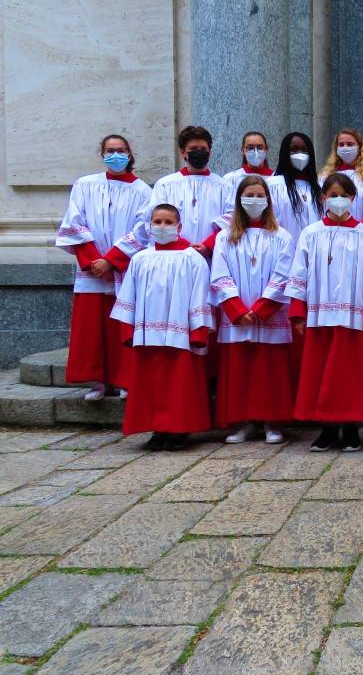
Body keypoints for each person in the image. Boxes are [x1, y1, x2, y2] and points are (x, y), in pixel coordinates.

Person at [286, 173, 363, 452]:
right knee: (321, 373)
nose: (338, 200)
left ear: (353, 198)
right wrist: (298, 313)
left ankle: (352, 428)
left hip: (354, 315)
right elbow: (298, 275)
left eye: (343, 195)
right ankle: (327, 429)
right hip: (319, 315)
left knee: (350, 375)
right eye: (332, 195)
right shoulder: (311, 233)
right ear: (323, 198)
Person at [56, 134, 153, 401]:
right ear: (102, 154)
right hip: (92, 269)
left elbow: (143, 230)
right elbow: (74, 222)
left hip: (123, 268)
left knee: (121, 324)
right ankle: (98, 381)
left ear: (131, 154)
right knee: (92, 328)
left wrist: (111, 260)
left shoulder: (143, 190)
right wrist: (93, 261)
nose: (116, 155)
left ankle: (124, 379)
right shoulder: (85, 185)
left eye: (121, 150)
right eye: (110, 151)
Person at [111, 204, 215, 450]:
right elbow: (129, 297)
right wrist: (128, 330)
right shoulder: (140, 259)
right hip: (146, 333)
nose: (162, 226)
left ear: (179, 227)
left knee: (179, 384)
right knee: (151, 384)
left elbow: (200, 295)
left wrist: (198, 331)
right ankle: (157, 428)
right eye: (157, 222)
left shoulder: (192, 258)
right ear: (149, 226)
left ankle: (179, 430)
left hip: (181, 333)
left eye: (168, 222)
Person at [210, 175, 295, 444]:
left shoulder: (282, 236)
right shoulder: (225, 237)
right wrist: (236, 308)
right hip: (238, 317)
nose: (255, 200)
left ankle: (273, 422)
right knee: (240, 370)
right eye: (250, 195)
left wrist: (261, 308)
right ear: (239, 200)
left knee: (270, 370)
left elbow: (284, 275)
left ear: (268, 201)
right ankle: (244, 422)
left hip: (269, 315)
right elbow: (219, 275)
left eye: (260, 196)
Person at [109, 126, 233, 263]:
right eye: (193, 149)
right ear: (183, 152)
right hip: (173, 257)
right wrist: (186, 247)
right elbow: (153, 220)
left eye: (203, 149)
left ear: (209, 153)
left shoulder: (225, 186)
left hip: (212, 256)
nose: (199, 152)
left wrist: (207, 246)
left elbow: (231, 220)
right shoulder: (165, 185)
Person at [267, 132, 324, 244]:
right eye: (294, 149)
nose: (300, 154)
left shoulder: (319, 187)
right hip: (285, 252)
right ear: (285, 153)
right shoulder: (273, 185)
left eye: (304, 150)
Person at [321, 128, 363, 223]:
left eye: (350, 144)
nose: (345, 147)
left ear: (359, 147)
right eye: (341, 144)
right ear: (336, 148)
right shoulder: (324, 178)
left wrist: (362, 229)